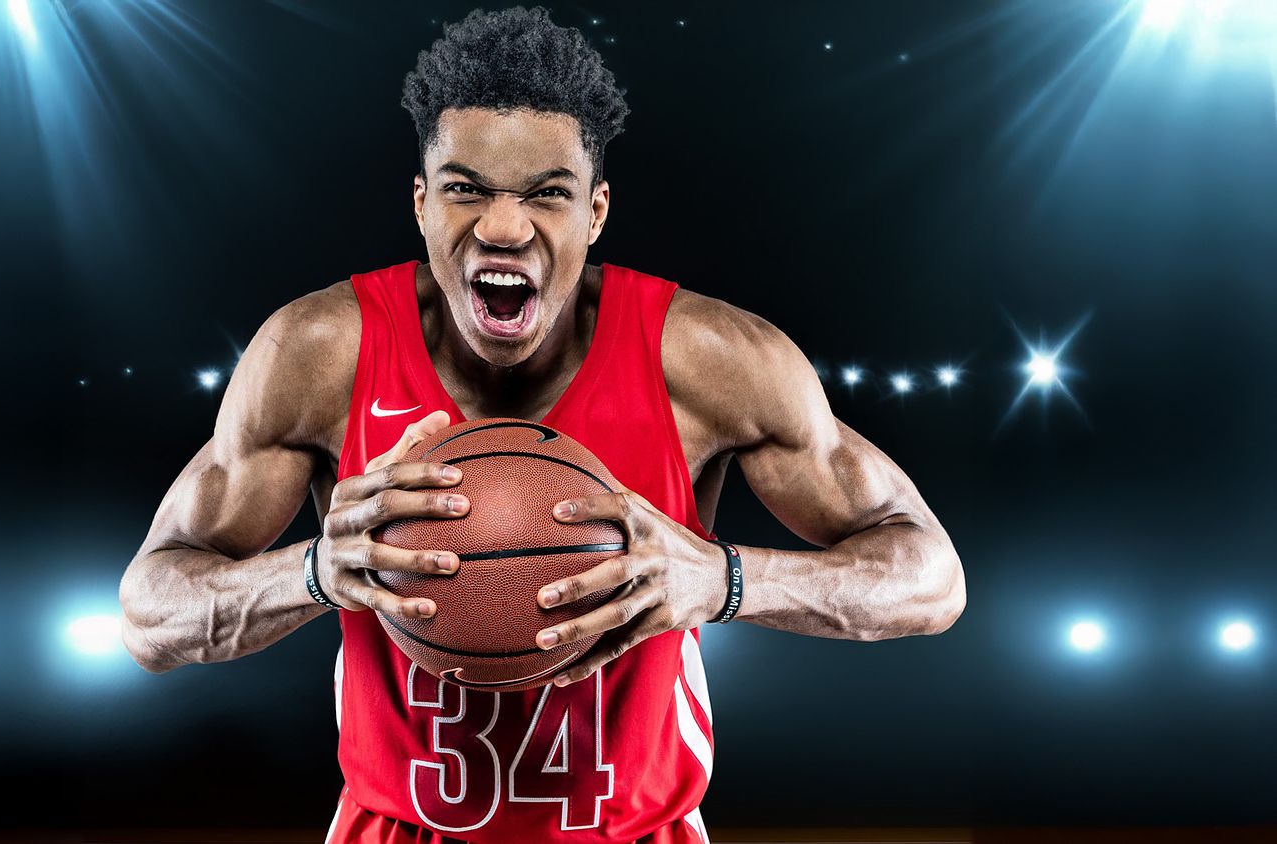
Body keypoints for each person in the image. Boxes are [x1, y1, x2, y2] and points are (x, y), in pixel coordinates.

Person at [118, 7, 965, 843]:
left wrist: (726, 579)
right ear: (421, 204)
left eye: (546, 195)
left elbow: (931, 578)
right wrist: (310, 572)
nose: (502, 228)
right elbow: (148, 617)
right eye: (465, 190)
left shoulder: (707, 361)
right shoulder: (319, 355)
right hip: (396, 827)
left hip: (639, 832)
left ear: (595, 213)